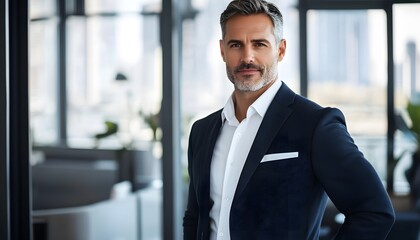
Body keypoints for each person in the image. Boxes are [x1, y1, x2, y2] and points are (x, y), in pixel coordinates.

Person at [183, 0, 395, 239]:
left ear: (280, 50)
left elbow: (374, 211)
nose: (247, 57)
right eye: (236, 45)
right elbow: (195, 216)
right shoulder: (202, 132)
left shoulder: (316, 125)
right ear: (222, 50)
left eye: (259, 44)